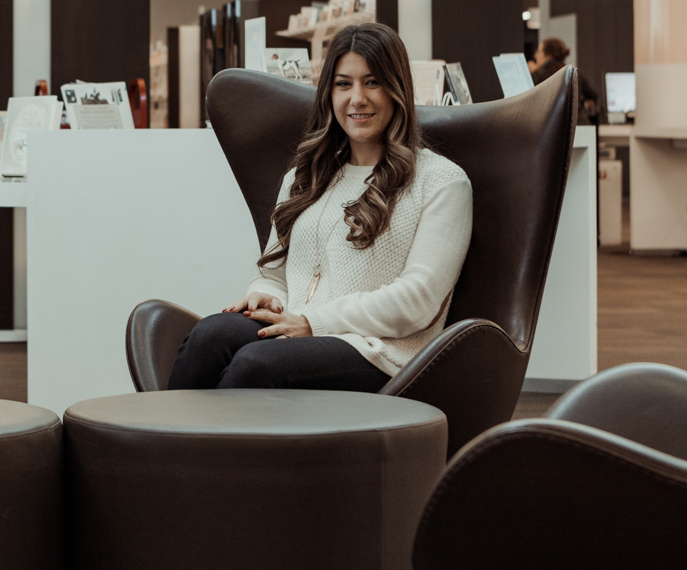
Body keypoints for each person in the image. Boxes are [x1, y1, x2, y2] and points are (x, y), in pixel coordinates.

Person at [167, 22, 473, 391]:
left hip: (379, 352)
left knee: (256, 364)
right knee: (210, 335)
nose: (357, 98)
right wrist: (269, 297)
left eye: (372, 82)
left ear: (397, 90)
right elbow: (274, 274)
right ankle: (169, 448)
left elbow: (419, 298)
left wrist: (314, 322)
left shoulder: (441, 181)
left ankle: (204, 448)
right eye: (344, 84)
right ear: (328, 93)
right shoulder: (305, 176)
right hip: (299, 327)